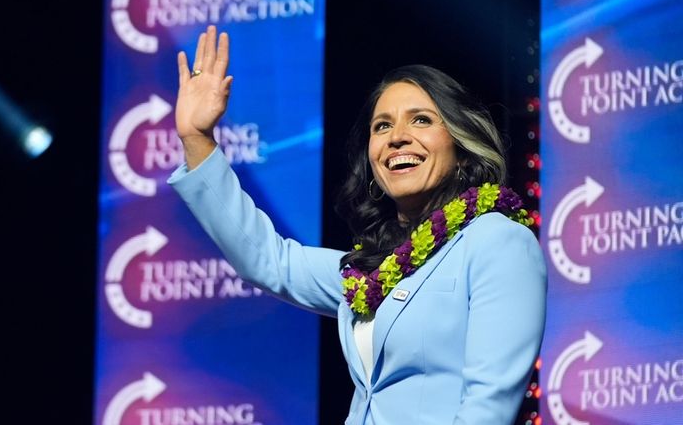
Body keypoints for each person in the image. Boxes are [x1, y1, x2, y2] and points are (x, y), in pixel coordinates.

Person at [168, 26, 546, 425]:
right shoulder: (368, 274)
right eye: (382, 126)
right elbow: (269, 260)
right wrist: (197, 138)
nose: (397, 137)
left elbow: (488, 406)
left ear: (461, 145)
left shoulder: (498, 241)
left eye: (421, 120)